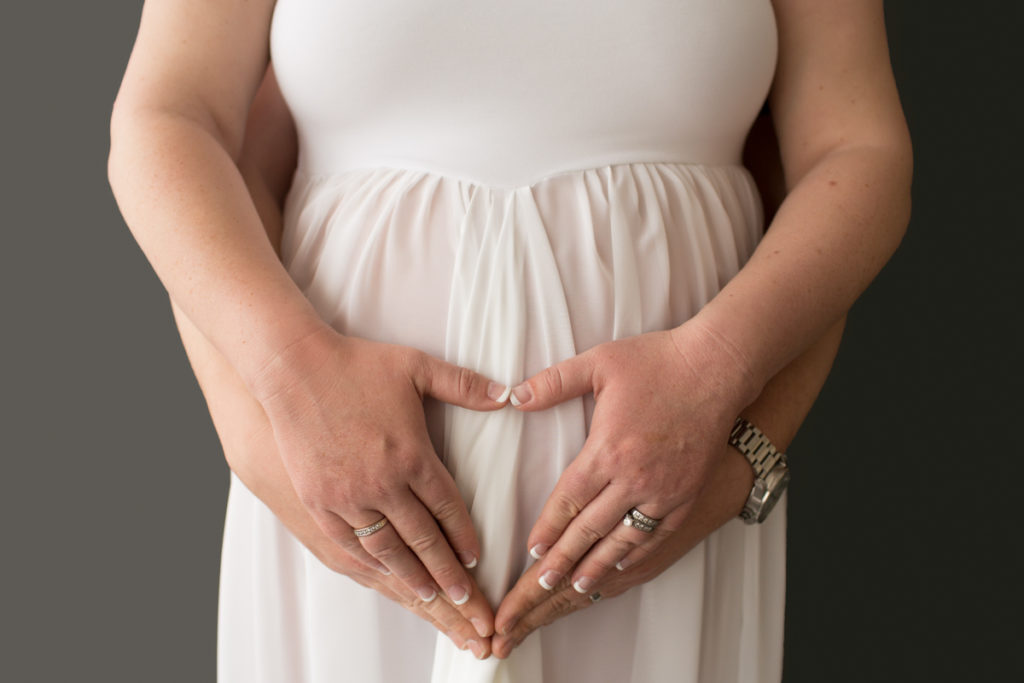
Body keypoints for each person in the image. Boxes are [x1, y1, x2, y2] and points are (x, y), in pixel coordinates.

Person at [108, 1, 911, 681]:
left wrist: (726, 393)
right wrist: (283, 392)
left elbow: (857, 149)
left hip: (664, 516)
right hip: (343, 502)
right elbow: (170, 116)